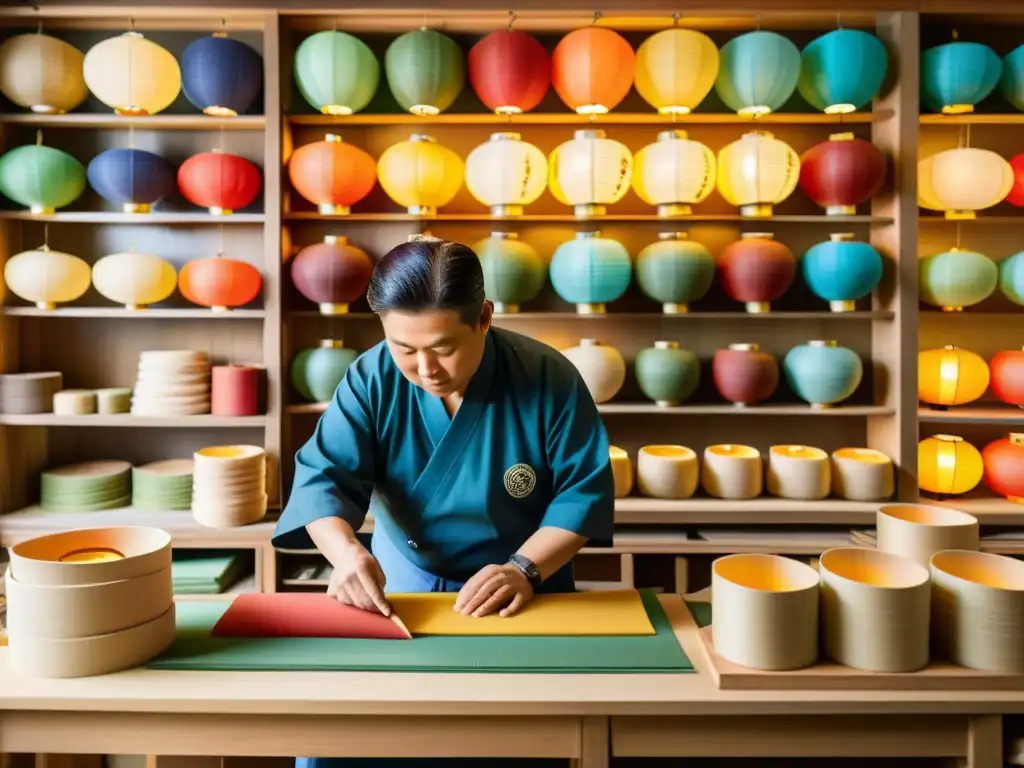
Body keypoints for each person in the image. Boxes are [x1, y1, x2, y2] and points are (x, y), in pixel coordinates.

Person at [272, 235, 616, 768]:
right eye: (404, 348)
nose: (424, 369)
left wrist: (523, 568)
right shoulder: (370, 377)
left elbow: (581, 494)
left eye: (443, 347)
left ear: (483, 317)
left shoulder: (548, 378)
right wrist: (346, 555)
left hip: (521, 590)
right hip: (401, 585)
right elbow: (324, 476)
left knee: (519, 742)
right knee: (347, 737)